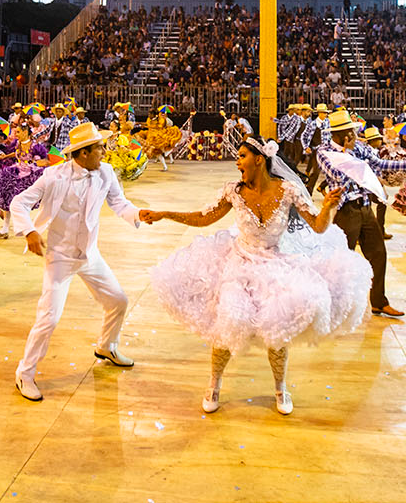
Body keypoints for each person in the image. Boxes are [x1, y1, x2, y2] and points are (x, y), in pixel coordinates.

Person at [147, 134, 368, 415]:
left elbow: (319, 226)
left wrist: (327, 206)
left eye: (242, 156)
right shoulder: (233, 192)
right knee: (228, 322)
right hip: (237, 263)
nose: (237, 162)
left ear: (259, 159)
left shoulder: (288, 190)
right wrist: (165, 213)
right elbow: (203, 217)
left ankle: (280, 388)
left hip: (275, 263)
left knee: (278, 328)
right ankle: (214, 384)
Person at [9, 123, 153, 402]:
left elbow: (120, 204)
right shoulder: (53, 176)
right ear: (83, 153)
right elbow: (19, 203)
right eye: (99, 147)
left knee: (118, 301)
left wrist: (139, 214)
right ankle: (24, 374)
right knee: (49, 319)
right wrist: (29, 231)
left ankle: (106, 346)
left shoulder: (107, 172)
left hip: (89, 255)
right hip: (60, 258)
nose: (104, 150)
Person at [316, 108, 406, 318]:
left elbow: (380, 163)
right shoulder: (324, 152)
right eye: (352, 134)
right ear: (344, 137)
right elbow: (341, 175)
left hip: (365, 208)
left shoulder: (359, 149)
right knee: (341, 260)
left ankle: (379, 302)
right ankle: (334, 305)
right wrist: (354, 160)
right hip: (345, 212)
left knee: (378, 254)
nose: (356, 137)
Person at [0, 122, 51, 238]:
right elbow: (17, 154)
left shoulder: (35, 146)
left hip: (29, 176)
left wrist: (33, 163)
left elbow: (45, 161)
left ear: (25, 132)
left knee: (22, 203)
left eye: (18, 132)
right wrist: (6, 156)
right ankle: (5, 228)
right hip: (16, 173)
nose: (16, 134)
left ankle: (29, 229)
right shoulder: (18, 143)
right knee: (7, 200)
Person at [299, 103, 329, 192]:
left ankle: (321, 187)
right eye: (324, 113)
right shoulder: (312, 124)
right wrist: (305, 147)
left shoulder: (328, 123)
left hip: (327, 150)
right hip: (316, 150)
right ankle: (308, 190)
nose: (326, 115)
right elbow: (303, 136)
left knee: (332, 171)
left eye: (326, 113)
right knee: (316, 171)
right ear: (319, 113)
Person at [142, 106, 180, 171]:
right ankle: (164, 166)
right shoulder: (149, 119)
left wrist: (147, 126)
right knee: (153, 153)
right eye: (149, 114)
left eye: (150, 114)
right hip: (150, 137)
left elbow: (159, 127)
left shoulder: (161, 119)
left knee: (155, 152)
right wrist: (141, 124)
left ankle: (144, 166)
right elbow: (148, 125)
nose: (149, 115)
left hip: (157, 138)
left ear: (154, 114)